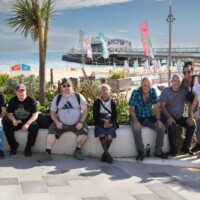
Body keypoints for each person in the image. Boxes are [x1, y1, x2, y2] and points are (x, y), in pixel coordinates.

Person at [37, 78, 88, 162]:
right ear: (61, 87)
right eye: (64, 86)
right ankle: (48, 153)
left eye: (68, 85)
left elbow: (85, 110)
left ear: (72, 86)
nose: (66, 87)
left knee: (85, 131)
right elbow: (52, 112)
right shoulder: (58, 98)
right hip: (61, 123)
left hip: (77, 123)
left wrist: (81, 122)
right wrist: (57, 122)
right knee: (51, 131)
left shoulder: (78, 96)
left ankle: (78, 151)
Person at [129, 77, 168, 161]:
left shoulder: (153, 91)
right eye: (144, 85)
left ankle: (158, 151)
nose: (146, 87)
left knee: (162, 128)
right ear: (141, 85)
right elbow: (131, 110)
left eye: (148, 85)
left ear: (151, 85)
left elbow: (157, 108)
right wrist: (136, 122)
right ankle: (141, 152)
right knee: (136, 129)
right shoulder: (136, 92)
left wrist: (158, 120)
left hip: (149, 117)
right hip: (137, 117)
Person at [160, 74, 196, 157]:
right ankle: (173, 150)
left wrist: (190, 117)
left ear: (181, 82)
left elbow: (189, 103)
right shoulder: (165, 91)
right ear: (171, 81)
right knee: (171, 125)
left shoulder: (184, 90)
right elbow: (162, 106)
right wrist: (169, 117)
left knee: (192, 124)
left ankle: (185, 148)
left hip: (179, 117)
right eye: (175, 81)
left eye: (179, 81)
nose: (177, 82)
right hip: (168, 116)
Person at [3, 84, 39, 157]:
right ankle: (13, 145)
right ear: (16, 92)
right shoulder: (12, 100)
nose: (21, 93)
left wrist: (27, 124)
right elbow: (10, 114)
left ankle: (28, 147)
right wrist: (13, 120)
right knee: (6, 124)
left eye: (22, 91)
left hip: (27, 121)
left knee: (35, 126)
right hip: (17, 121)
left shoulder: (31, 100)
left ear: (26, 91)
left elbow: (35, 115)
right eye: (19, 91)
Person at [93, 84, 118, 163]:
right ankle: (107, 155)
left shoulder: (113, 102)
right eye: (103, 90)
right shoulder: (97, 102)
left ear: (109, 92)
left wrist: (110, 123)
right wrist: (102, 123)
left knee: (110, 136)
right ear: (100, 92)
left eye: (107, 89)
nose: (105, 91)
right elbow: (95, 116)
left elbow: (115, 116)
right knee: (102, 134)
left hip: (110, 122)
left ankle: (104, 155)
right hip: (100, 122)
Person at [181, 61, 200, 154]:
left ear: (192, 72)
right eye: (184, 72)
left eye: (188, 72)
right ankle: (198, 144)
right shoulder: (185, 83)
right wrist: (189, 115)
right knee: (196, 124)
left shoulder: (197, 79)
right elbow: (189, 100)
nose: (186, 74)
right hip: (195, 105)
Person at [0, 92, 6, 159]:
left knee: (0, 127)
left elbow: (3, 112)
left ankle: (0, 150)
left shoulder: (1, 96)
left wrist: (0, 119)